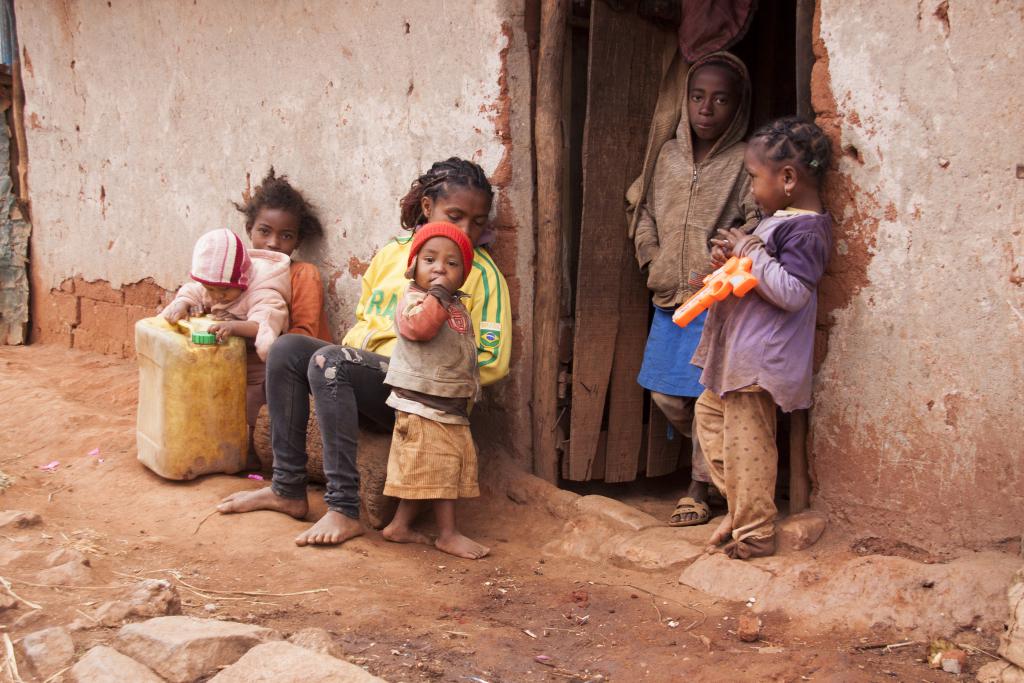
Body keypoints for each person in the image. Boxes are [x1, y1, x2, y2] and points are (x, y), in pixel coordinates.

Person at [216, 157, 511, 548]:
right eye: (454, 215)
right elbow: (362, 322)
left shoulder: (482, 275)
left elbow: (491, 363)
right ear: (427, 208)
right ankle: (287, 489)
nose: (465, 230)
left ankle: (343, 509)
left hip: (423, 402)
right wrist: (362, 355)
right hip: (371, 380)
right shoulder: (392, 256)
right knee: (287, 348)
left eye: (477, 221)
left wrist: (422, 365)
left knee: (331, 361)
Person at [694, 116, 833, 560]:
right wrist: (730, 256)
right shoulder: (777, 220)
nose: (751, 188)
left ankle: (754, 531)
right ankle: (742, 508)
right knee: (710, 415)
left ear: (788, 178)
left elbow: (792, 291)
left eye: (754, 177)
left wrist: (750, 252)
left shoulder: (807, 229)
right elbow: (754, 273)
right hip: (740, 351)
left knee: (749, 441)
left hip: (762, 357)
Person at [631, 52, 758, 527]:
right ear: (684, 101)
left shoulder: (746, 160)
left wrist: (729, 249)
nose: (706, 108)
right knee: (667, 394)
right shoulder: (666, 156)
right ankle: (720, 466)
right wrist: (651, 256)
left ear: (739, 107)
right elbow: (641, 208)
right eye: (698, 96)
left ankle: (698, 486)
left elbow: (757, 218)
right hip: (669, 295)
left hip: (716, 299)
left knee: (709, 396)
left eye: (721, 99)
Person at [378, 222, 488, 559]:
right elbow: (419, 328)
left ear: (463, 275)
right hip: (421, 403)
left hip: (446, 404)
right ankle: (447, 534)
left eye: (452, 264)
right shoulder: (413, 299)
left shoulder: (455, 304)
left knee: (428, 468)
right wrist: (438, 295)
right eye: (430, 259)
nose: (440, 268)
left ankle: (399, 526)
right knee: (440, 467)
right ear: (413, 266)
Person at [160, 228, 291, 430]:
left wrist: (233, 326)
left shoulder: (263, 291)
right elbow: (193, 291)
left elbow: (263, 324)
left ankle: (248, 448)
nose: (217, 296)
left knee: (250, 403)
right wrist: (182, 303)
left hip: (256, 369)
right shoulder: (211, 289)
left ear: (243, 278)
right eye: (210, 289)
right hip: (220, 365)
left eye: (225, 290)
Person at [234, 167, 333, 343]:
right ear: (250, 230)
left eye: (286, 236)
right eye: (264, 231)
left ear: (298, 240)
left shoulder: (302, 274)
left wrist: (247, 332)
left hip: (288, 363)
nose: (273, 243)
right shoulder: (237, 271)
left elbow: (304, 335)